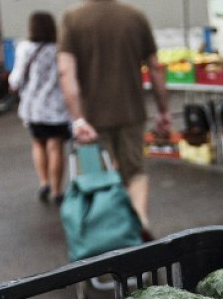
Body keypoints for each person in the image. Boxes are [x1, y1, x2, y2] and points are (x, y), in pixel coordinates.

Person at [57, 0, 171, 238]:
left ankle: (108, 235)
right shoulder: (135, 17)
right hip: (131, 112)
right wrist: (163, 110)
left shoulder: (72, 19)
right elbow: (155, 67)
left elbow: (66, 72)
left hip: (91, 120)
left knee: (97, 178)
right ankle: (139, 220)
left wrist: (78, 119)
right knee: (135, 171)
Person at [8, 11, 70, 204]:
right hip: (56, 108)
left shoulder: (24, 48)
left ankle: (44, 183)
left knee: (38, 144)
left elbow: (16, 79)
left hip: (33, 108)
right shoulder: (60, 49)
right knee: (55, 147)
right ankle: (57, 190)